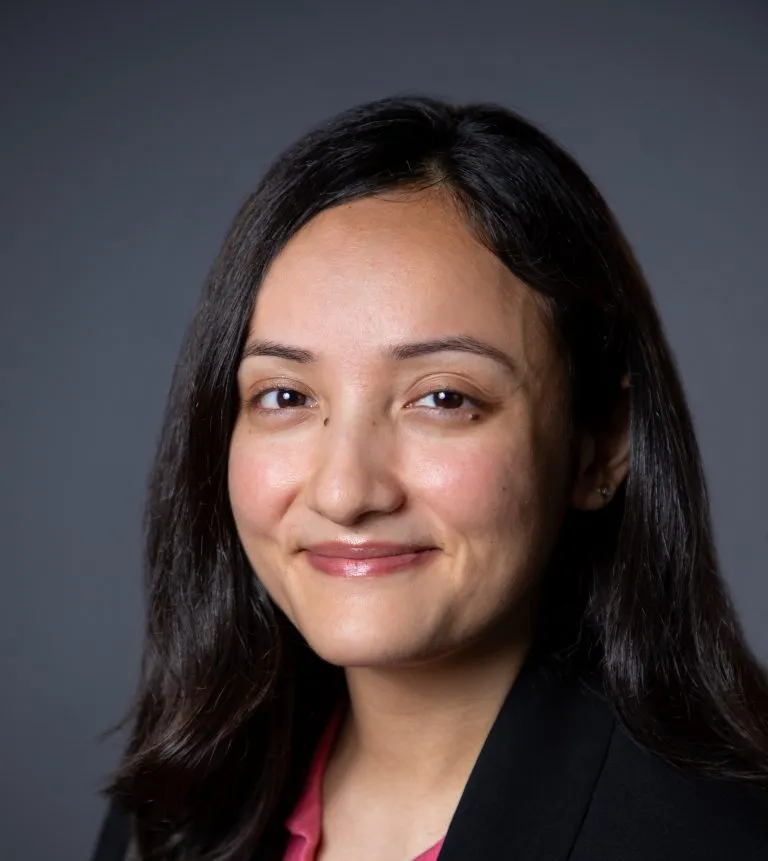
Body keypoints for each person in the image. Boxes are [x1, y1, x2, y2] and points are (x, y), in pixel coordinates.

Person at [91, 96, 768, 861]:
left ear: (601, 445)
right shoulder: (173, 813)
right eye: (285, 396)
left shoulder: (714, 838)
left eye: (443, 398)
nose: (346, 490)